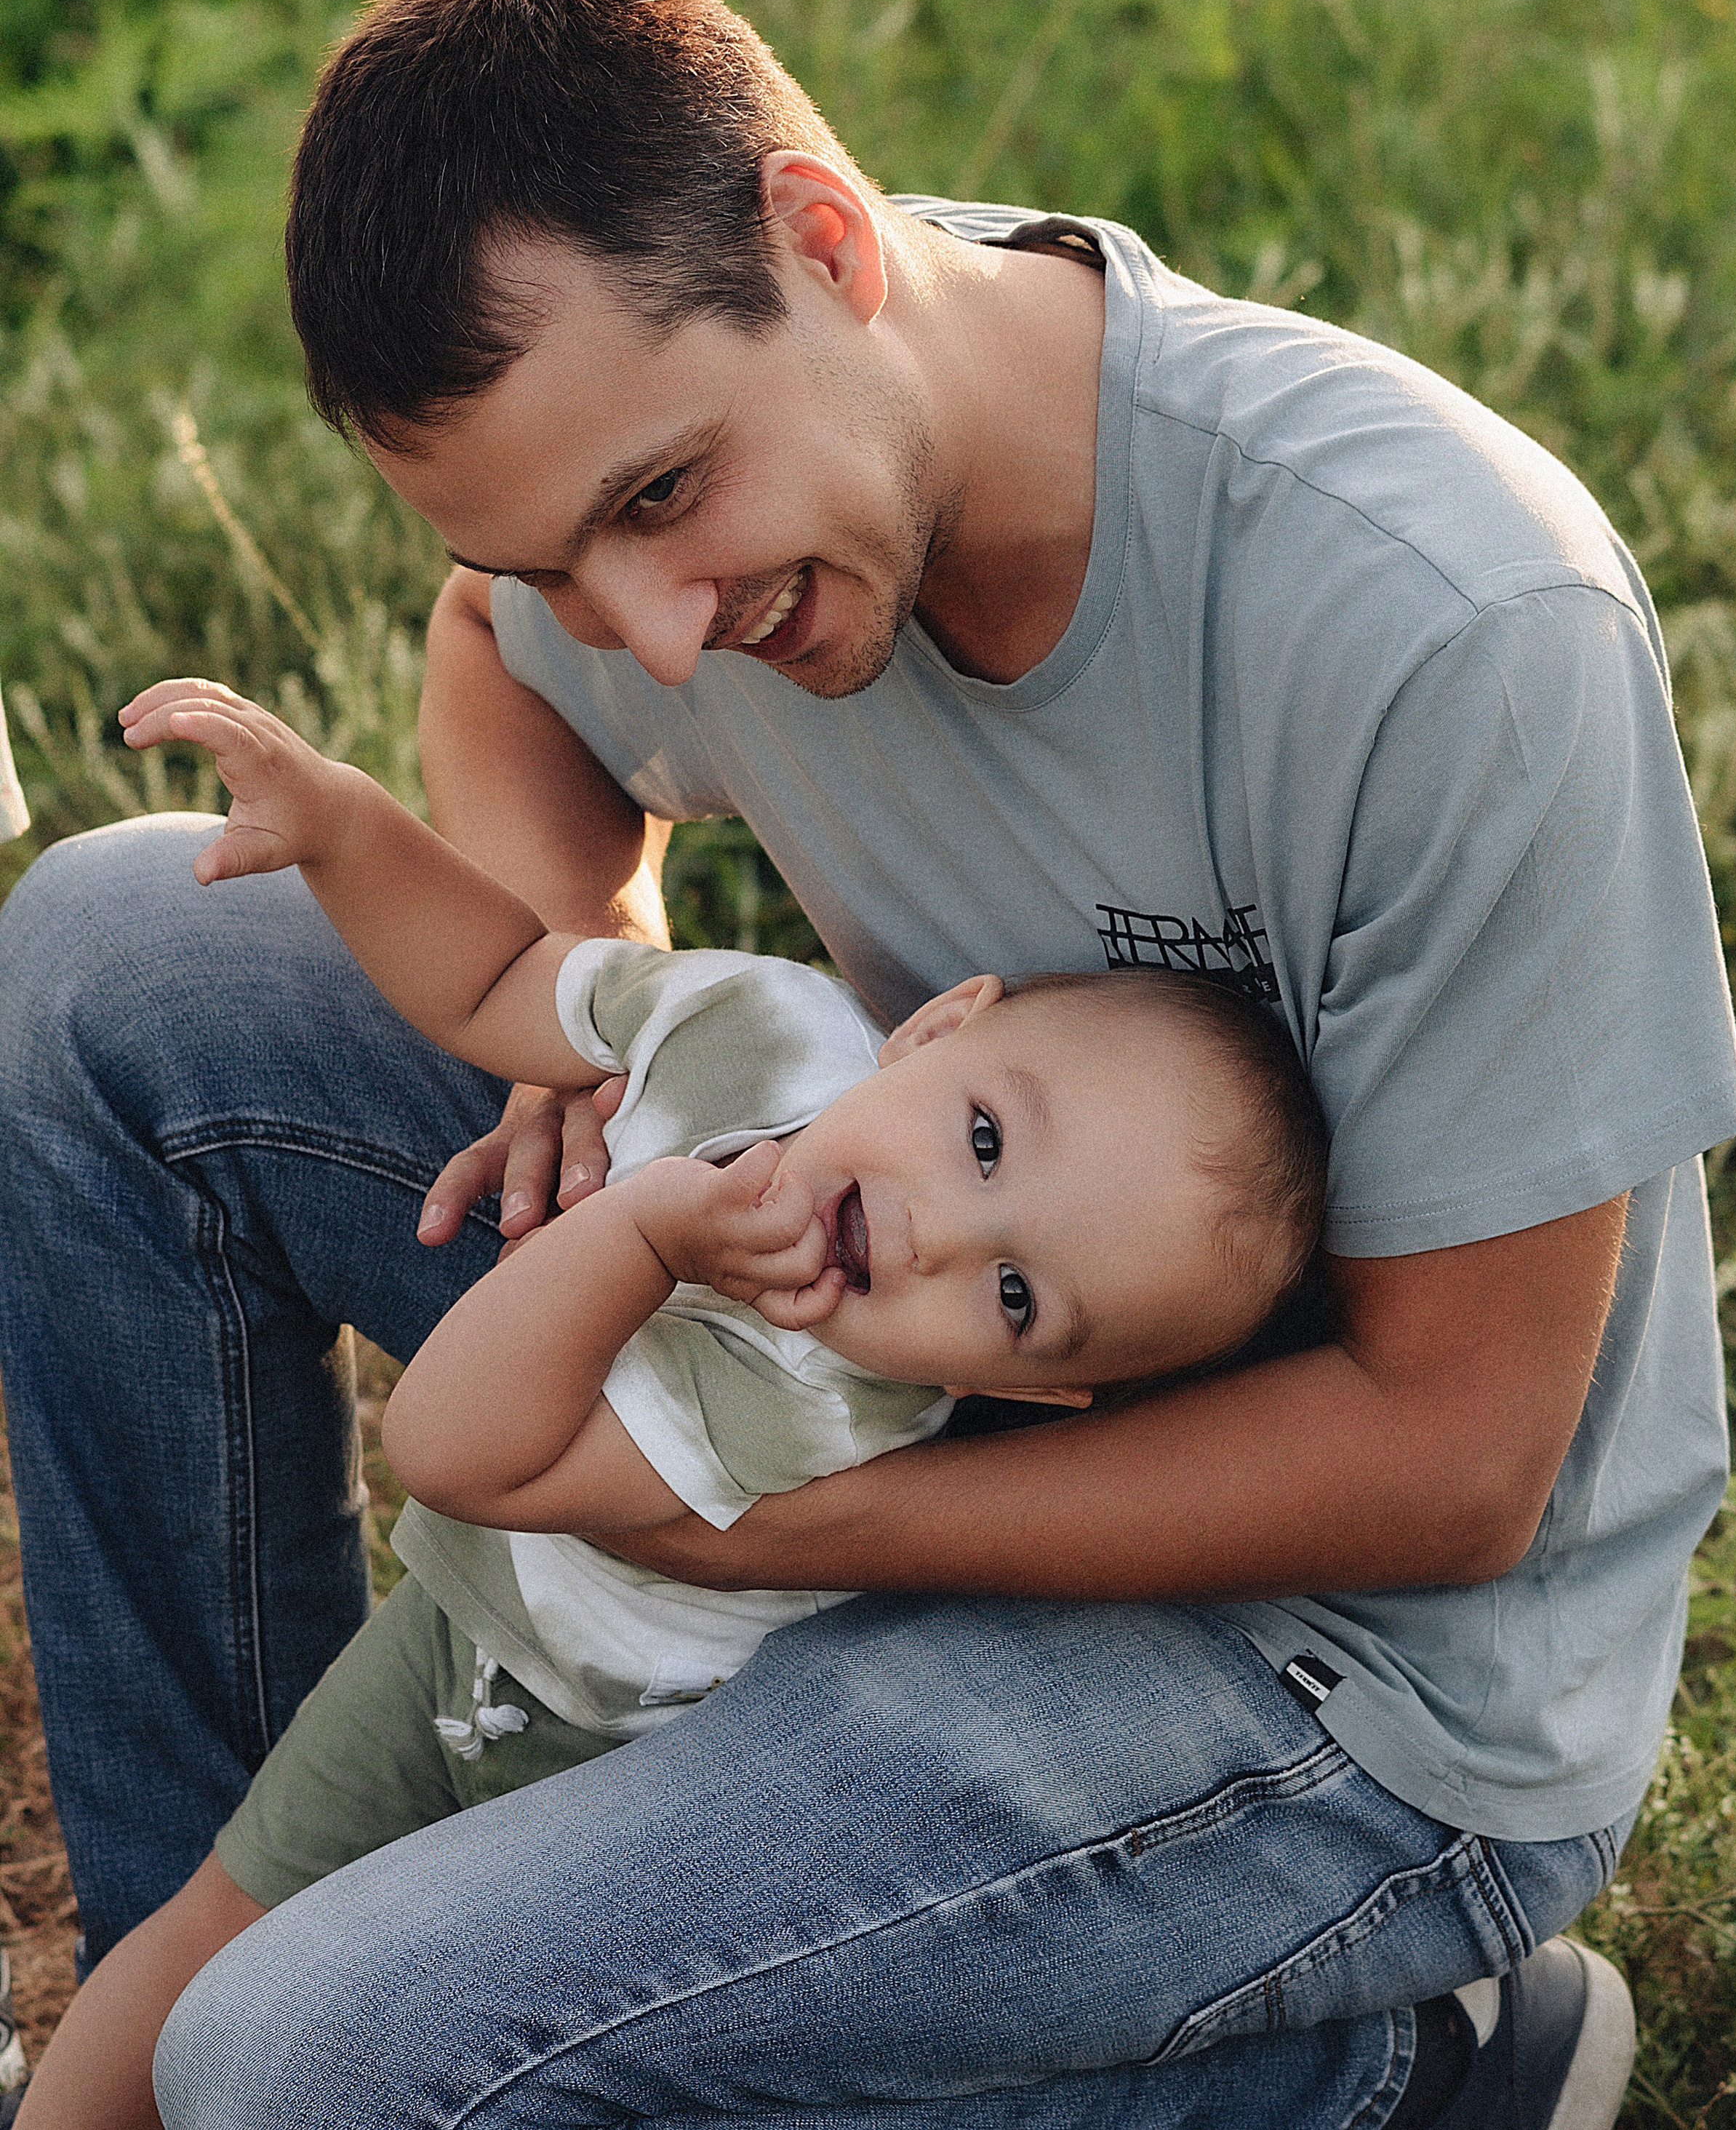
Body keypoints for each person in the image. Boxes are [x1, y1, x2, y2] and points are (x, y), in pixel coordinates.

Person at [0, 0, 1736, 2130]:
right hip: (874, 1309)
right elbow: (494, 649)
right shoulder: (706, 496)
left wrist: (751, 1524)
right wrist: (579, 988)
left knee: (324, 2053)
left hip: (1341, 1665)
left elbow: (1457, 1458)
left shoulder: (1449, 624)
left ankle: (1374, 2078)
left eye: (654, 503)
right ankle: (203, 1989)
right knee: (105, 953)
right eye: (565, 561)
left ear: (829, 241)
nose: (644, 625)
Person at [17, 678, 1326, 2130]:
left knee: (390, 2054)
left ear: (1022, 1384)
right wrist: (344, 823)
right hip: (465, 1638)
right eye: (980, 1135)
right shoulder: (753, 1026)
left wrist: (640, 1231)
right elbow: (499, 977)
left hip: (602, 1760)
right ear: (939, 1022)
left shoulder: (834, 1406)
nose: (941, 1231)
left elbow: (456, 1450)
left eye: (1014, 1294)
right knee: (208, 1928)